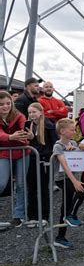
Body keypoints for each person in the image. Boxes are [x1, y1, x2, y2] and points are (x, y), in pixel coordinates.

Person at [51, 118, 84, 248]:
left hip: (72, 177)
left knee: (65, 206)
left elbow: (78, 159)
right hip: (62, 178)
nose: (74, 131)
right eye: (72, 130)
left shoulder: (73, 143)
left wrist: (74, 150)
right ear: (62, 131)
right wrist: (75, 181)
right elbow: (64, 165)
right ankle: (71, 214)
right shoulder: (58, 146)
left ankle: (60, 236)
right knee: (83, 189)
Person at [0, 91, 30, 228]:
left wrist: (28, 134)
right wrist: (11, 137)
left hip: (23, 153)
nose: (5, 107)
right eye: (1, 104)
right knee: (1, 182)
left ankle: (19, 216)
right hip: (4, 154)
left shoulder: (19, 116)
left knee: (21, 184)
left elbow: (25, 130)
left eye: (8, 103)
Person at [25, 103, 58, 227]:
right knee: (31, 188)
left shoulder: (49, 125)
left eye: (34, 112)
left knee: (44, 189)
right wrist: (30, 138)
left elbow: (54, 143)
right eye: (29, 112)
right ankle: (32, 216)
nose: (32, 115)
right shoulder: (27, 126)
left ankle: (44, 216)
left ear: (40, 112)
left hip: (45, 161)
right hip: (31, 160)